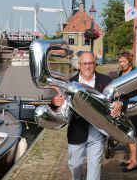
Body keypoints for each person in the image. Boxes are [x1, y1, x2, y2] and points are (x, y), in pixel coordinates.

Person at [51, 52, 123, 180]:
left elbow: (118, 99)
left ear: (95, 64)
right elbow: (60, 107)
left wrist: (119, 104)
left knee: (94, 167)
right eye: (85, 63)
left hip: (98, 131)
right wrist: (55, 103)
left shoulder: (105, 81)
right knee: (75, 165)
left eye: (90, 63)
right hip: (77, 131)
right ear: (79, 65)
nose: (88, 66)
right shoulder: (69, 83)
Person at [116, 50, 137, 172]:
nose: (121, 64)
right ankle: (131, 159)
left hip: (132, 106)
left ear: (129, 61)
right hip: (122, 107)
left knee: (132, 134)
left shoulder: (134, 73)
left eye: (124, 61)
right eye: (120, 61)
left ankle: (135, 162)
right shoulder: (121, 73)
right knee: (126, 133)